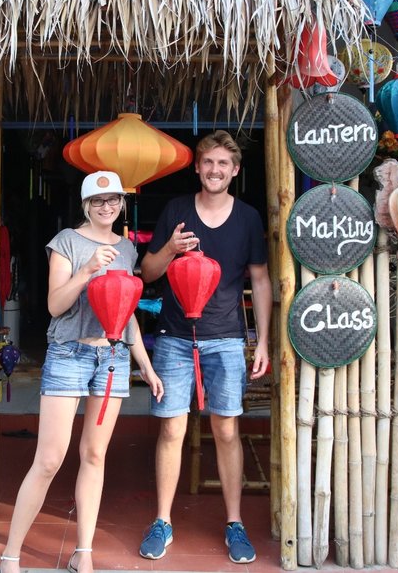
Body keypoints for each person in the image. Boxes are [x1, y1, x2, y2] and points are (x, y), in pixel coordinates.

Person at [0, 170, 164, 573]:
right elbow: (55, 305)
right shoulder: (67, 242)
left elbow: (126, 312)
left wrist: (145, 364)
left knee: (94, 454)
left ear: (121, 203)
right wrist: (87, 269)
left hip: (112, 359)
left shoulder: (127, 249)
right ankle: (11, 554)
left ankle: (83, 552)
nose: (107, 207)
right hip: (69, 353)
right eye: (98, 201)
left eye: (113, 200)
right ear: (86, 205)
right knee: (49, 458)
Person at [138, 130, 272, 564]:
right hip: (174, 338)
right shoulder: (177, 211)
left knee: (227, 430)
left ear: (235, 170)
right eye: (208, 162)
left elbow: (260, 280)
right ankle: (162, 520)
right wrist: (170, 249)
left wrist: (262, 340)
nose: (215, 170)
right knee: (171, 430)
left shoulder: (247, 218)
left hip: (227, 338)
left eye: (223, 164)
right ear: (197, 167)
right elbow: (147, 272)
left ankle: (235, 523)